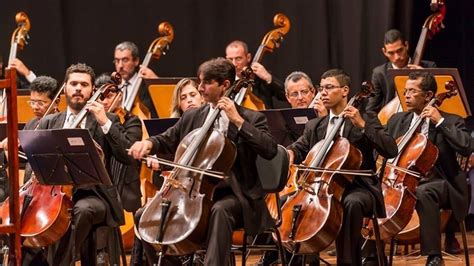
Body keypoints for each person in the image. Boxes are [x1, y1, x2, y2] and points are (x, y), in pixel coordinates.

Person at [129, 57, 277, 265]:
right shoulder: (193, 116)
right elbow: (168, 138)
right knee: (143, 217)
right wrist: (149, 144)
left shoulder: (251, 118)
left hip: (236, 194)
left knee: (219, 211)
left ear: (225, 85)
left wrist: (237, 121)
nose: (200, 88)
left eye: (205, 83)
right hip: (195, 192)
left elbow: (270, 149)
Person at [287, 69, 397, 265]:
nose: (323, 93)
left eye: (329, 87)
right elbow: (300, 147)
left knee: (350, 203)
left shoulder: (365, 118)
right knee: (292, 203)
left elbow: (390, 149)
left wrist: (362, 125)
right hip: (322, 188)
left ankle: (347, 262)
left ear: (345, 90)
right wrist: (288, 153)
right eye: (321, 88)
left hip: (360, 188)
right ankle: (301, 259)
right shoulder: (315, 125)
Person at [35, 63, 130, 265]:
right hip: (54, 195)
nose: (78, 88)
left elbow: (125, 156)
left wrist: (104, 121)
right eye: (74, 83)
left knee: (81, 212)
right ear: (66, 87)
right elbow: (34, 165)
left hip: (94, 195)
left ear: (92, 90)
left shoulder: (107, 119)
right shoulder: (50, 122)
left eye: (84, 84)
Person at [384, 71, 470, 265]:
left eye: (412, 91)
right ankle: (372, 254)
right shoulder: (397, 120)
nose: (406, 95)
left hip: (442, 183)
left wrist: (438, 121)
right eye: (405, 91)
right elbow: (383, 147)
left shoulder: (451, 121)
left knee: (423, 191)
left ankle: (434, 256)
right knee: (369, 192)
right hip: (403, 181)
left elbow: (466, 146)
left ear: (429, 96)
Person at [366, 29, 437, 113]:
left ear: (406, 45)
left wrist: (425, 75)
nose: (397, 57)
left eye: (399, 51)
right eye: (391, 53)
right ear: (384, 52)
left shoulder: (428, 67)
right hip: (391, 122)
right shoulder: (379, 73)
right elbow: (371, 109)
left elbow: (436, 97)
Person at [225, 40, 287, 109]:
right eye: (230, 59)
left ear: (248, 57)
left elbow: (287, 96)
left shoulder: (260, 80)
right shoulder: (225, 82)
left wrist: (268, 78)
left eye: (238, 59)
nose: (234, 64)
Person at [114, 41, 158, 118]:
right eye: (117, 61)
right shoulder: (113, 86)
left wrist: (155, 81)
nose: (120, 65)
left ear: (136, 61)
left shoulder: (146, 85)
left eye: (125, 60)